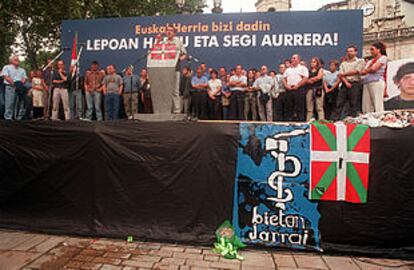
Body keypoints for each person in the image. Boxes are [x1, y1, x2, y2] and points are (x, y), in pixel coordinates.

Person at [333, 46, 365, 120]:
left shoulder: (360, 61)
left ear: (355, 52)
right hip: (345, 84)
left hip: (355, 84)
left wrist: (344, 74)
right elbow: (340, 74)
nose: (349, 53)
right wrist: (346, 82)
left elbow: (356, 71)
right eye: (348, 51)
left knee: (353, 103)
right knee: (339, 103)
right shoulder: (343, 63)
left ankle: (352, 120)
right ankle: (335, 120)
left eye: (351, 51)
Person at [360, 42, 388, 113]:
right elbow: (363, 71)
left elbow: (374, 69)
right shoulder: (370, 61)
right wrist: (367, 70)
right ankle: (368, 119)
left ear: (378, 50)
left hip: (377, 81)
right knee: (366, 104)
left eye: (372, 49)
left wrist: (367, 70)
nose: (371, 51)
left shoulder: (383, 58)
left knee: (377, 103)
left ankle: (379, 118)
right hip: (367, 82)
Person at [165, 25, 187, 114]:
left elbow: (185, 54)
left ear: (174, 32)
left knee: (175, 90)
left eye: (171, 30)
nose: (169, 32)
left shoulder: (178, 41)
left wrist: (178, 60)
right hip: (164, 68)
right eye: (167, 30)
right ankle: (166, 110)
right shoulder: (163, 41)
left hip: (175, 68)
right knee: (166, 89)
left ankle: (177, 111)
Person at [283, 54, 309, 121]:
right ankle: (289, 122)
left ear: (298, 59)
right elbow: (283, 79)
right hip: (289, 89)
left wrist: (297, 85)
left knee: (300, 107)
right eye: (292, 58)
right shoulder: (288, 70)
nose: (293, 59)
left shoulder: (303, 68)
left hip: (299, 89)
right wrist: (287, 86)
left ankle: (301, 122)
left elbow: (305, 78)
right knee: (288, 107)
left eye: (294, 58)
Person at [1, 56, 27, 120]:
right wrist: (14, 84)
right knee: (9, 103)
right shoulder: (6, 67)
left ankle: (18, 118)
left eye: (18, 59)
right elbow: (5, 77)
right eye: (15, 59)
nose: (17, 60)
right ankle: (8, 118)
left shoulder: (22, 70)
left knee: (19, 103)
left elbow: (24, 78)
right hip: (10, 87)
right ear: (11, 61)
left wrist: (20, 84)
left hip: (20, 87)